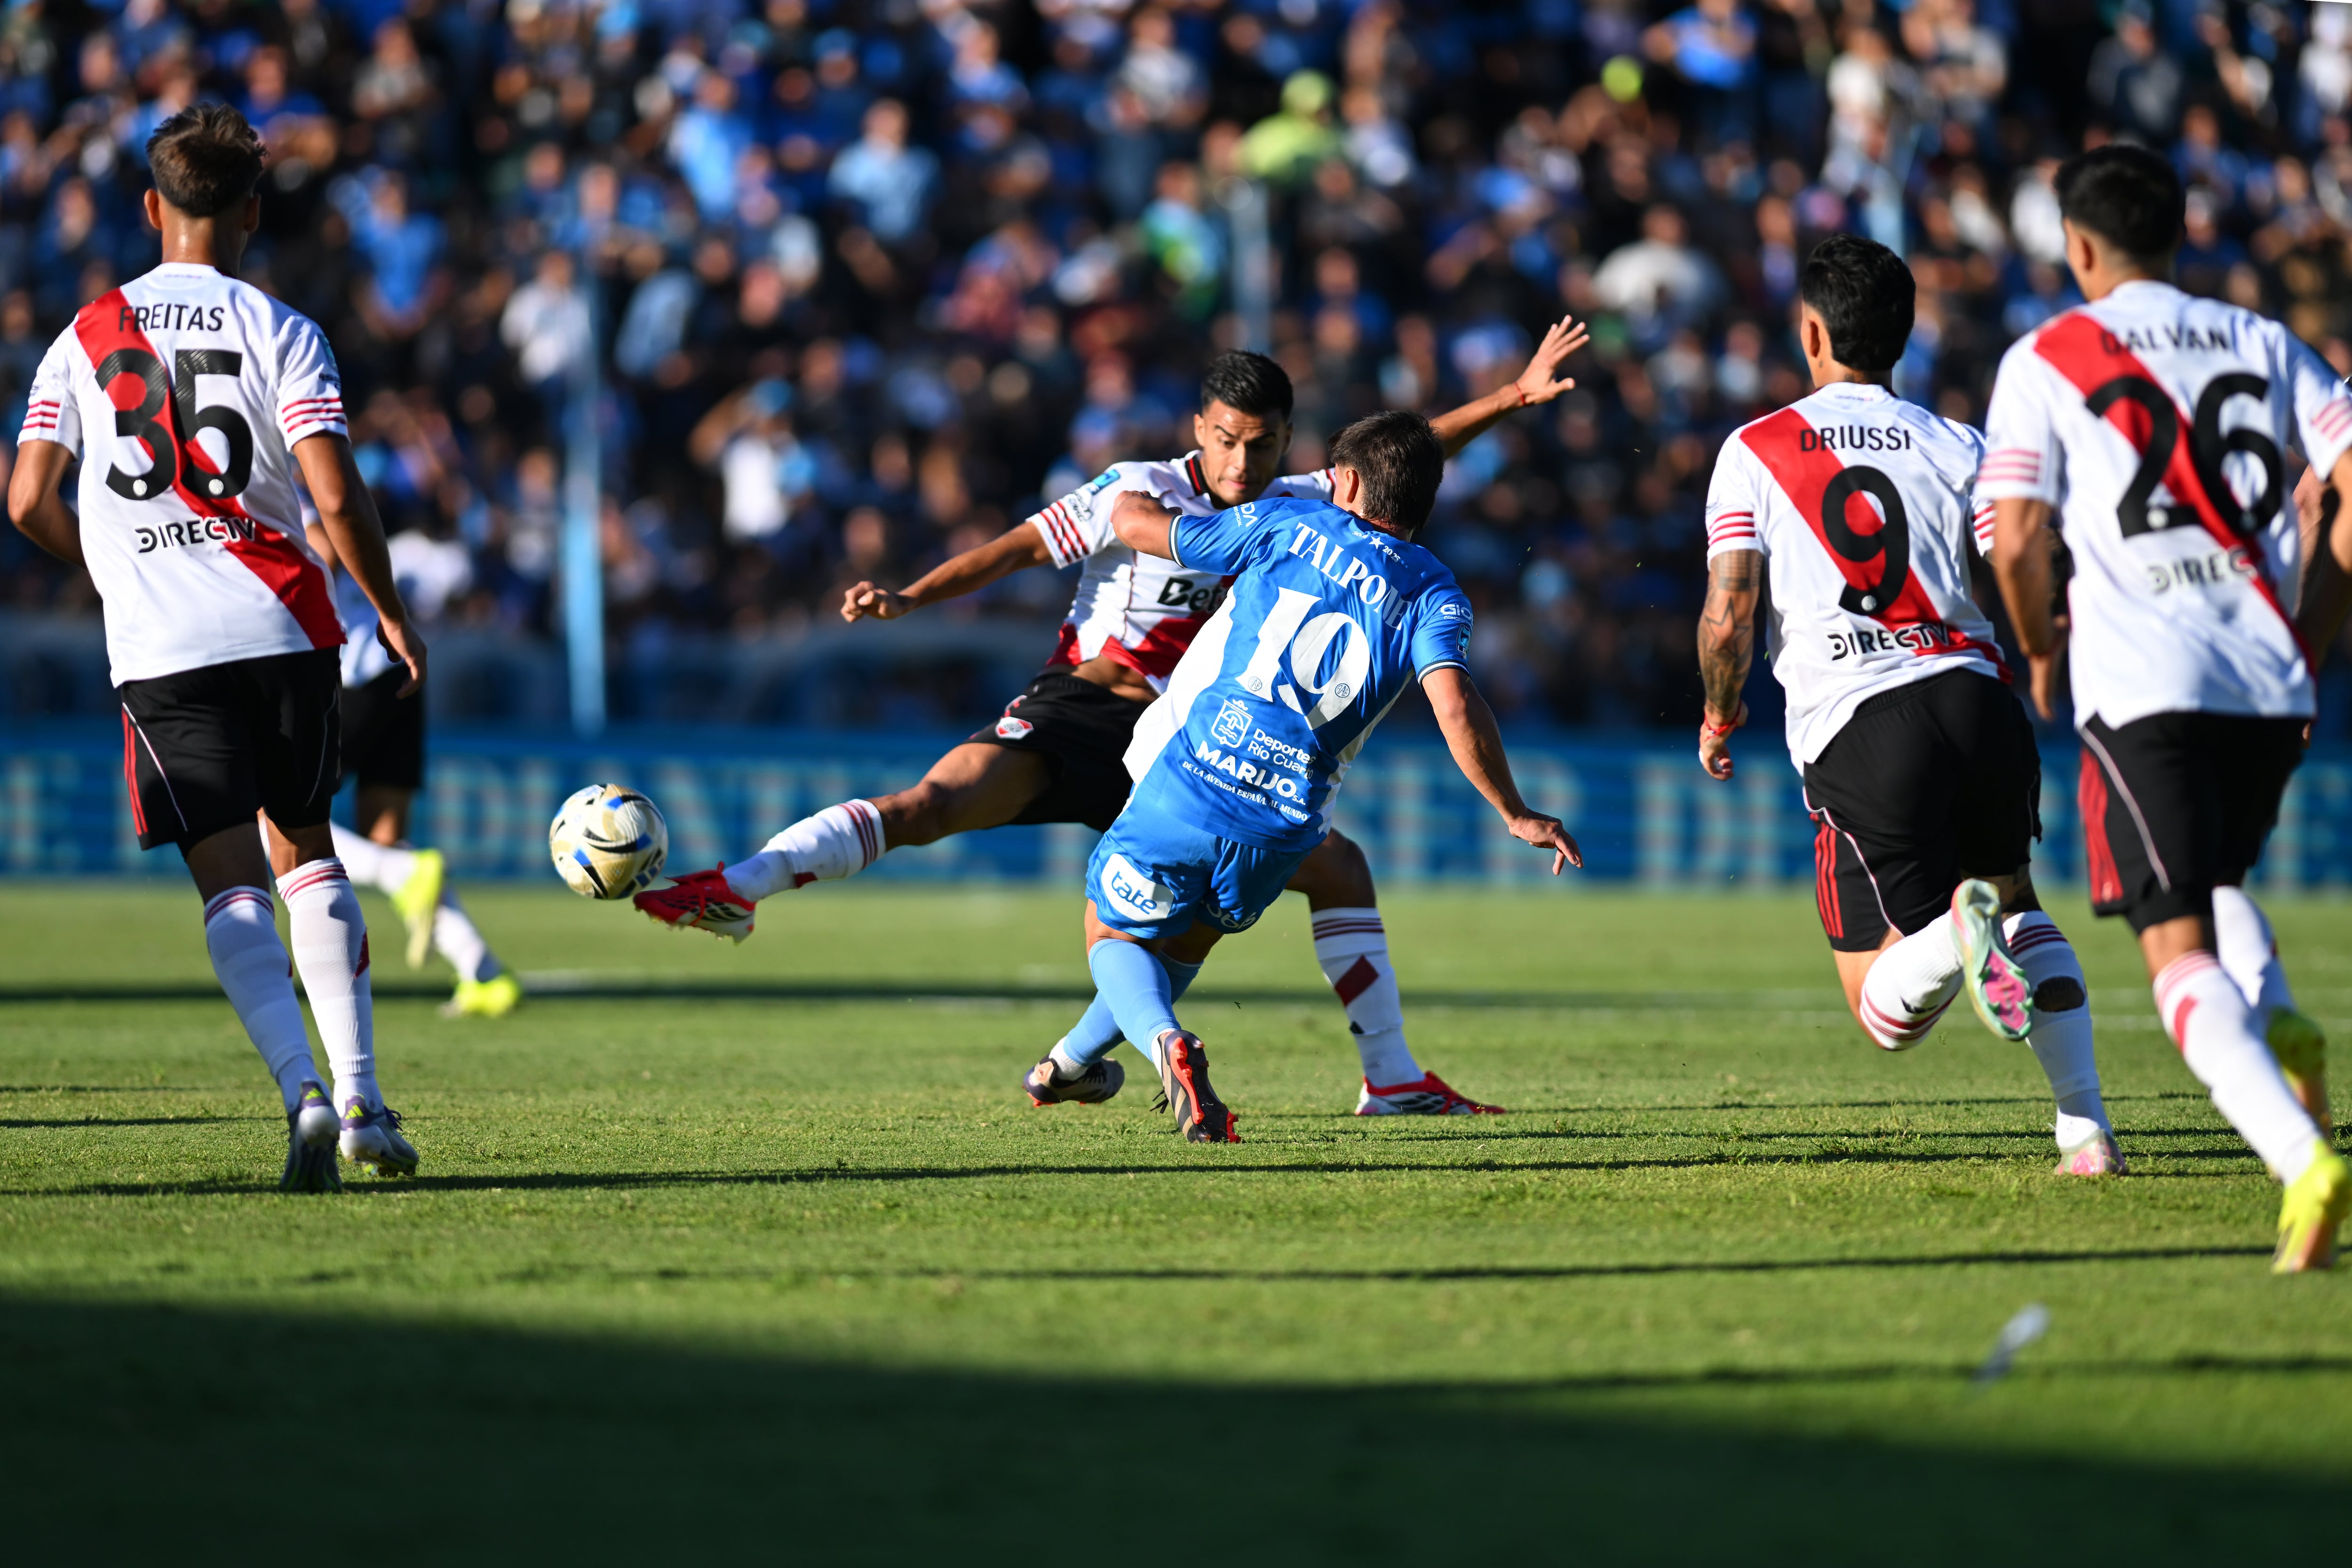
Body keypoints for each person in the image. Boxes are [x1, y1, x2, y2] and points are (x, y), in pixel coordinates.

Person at [635, 329, 1588, 1115]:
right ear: (1199, 430)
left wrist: (1508, 399)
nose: (1243, 461)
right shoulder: (1137, 486)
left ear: (1291, 440)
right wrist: (911, 596)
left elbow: (1397, 463)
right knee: (929, 803)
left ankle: (1364, 1072)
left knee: (1307, 882)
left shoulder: (1302, 506)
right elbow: (1017, 548)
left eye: (1262, 444)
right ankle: (741, 887)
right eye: (1226, 440)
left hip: (1188, 749)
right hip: (1083, 715)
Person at [4, 102, 421, 1190]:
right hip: (285, 623)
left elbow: (25, 498)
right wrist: (385, 604)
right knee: (308, 849)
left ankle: (304, 1094)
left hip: (162, 644)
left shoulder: (83, 338)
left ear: (151, 208)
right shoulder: (282, 329)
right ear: (250, 208)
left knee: (229, 883)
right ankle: (367, 1098)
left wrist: (110, 570)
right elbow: (333, 489)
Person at [1981, 144, 2352, 1273]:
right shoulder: (2263, 340)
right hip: (2266, 673)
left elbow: (2015, 531)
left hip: (2145, 679)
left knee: (2169, 944)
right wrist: (2315, 628)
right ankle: (2275, 1014)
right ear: (2180, 233)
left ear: (2078, 247)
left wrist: (2041, 645)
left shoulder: (2046, 355)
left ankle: (2303, 1161)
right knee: (2207, 877)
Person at [1695, 233, 2121, 1175]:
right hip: (1976, 696)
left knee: (1884, 1015)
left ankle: (1947, 932)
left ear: (1810, 332)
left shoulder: (1754, 450)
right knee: (2022, 905)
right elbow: (2024, 560)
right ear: (1903, 333)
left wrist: (1718, 715)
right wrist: (2041, 653)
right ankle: (2085, 1129)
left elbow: (1729, 614)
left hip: (1859, 723)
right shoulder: (1958, 442)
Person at [1074, 410, 1579, 1141]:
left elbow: (1164, 535)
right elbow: (1455, 704)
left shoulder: (1287, 524)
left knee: (1112, 936)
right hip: (1281, 828)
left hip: (1191, 775)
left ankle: (1165, 1045)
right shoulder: (1438, 595)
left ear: (1342, 481)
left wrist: (1123, 501)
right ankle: (1063, 1067)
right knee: (1210, 932)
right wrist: (1515, 809)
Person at [304, 522, 521, 1019]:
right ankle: (481, 970)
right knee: (384, 839)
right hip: (388, 668)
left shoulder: (263, 470)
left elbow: (320, 541)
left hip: (341, 674)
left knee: (265, 816)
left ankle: (400, 873)